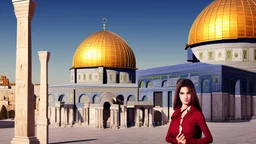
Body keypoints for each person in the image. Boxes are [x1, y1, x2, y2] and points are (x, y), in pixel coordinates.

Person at [165, 79, 213, 144]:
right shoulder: (175, 114)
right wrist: (177, 141)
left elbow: (209, 138)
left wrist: (187, 142)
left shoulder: (197, 114)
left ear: (192, 94)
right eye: (182, 93)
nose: (185, 97)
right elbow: (168, 138)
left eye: (188, 93)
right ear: (178, 95)